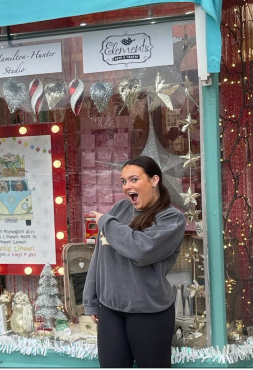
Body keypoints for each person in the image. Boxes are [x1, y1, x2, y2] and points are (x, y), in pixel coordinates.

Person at [82, 155, 187, 367]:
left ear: (154, 180)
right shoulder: (119, 210)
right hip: (110, 309)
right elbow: (99, 257)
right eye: (123, 181)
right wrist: (90, 300)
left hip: (149, 312)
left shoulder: (171, 218)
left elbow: (141, 250)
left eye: (133, 179)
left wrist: (105, 223)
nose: (127, 186)